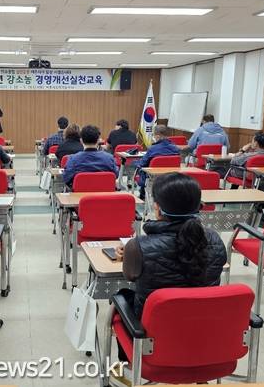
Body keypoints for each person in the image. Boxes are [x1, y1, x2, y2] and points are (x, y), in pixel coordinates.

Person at [113, 173, 226, 365]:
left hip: (152, 338)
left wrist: (130, 254)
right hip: (204, 334)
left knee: (120, 299)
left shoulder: (138, 246)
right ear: (199, 206)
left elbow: (129, 276)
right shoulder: (215, 240)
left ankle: (127, 364)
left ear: (157, 208)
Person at [132, 125, 181, 198]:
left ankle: (142, 195)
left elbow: (142, 164)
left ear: (157, 136)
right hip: (171, 178)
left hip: (153, 178)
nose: (153, 137)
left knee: (138, 166)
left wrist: (134, 162)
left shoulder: (153, 149)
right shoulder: (176, 149)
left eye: (153, 135)